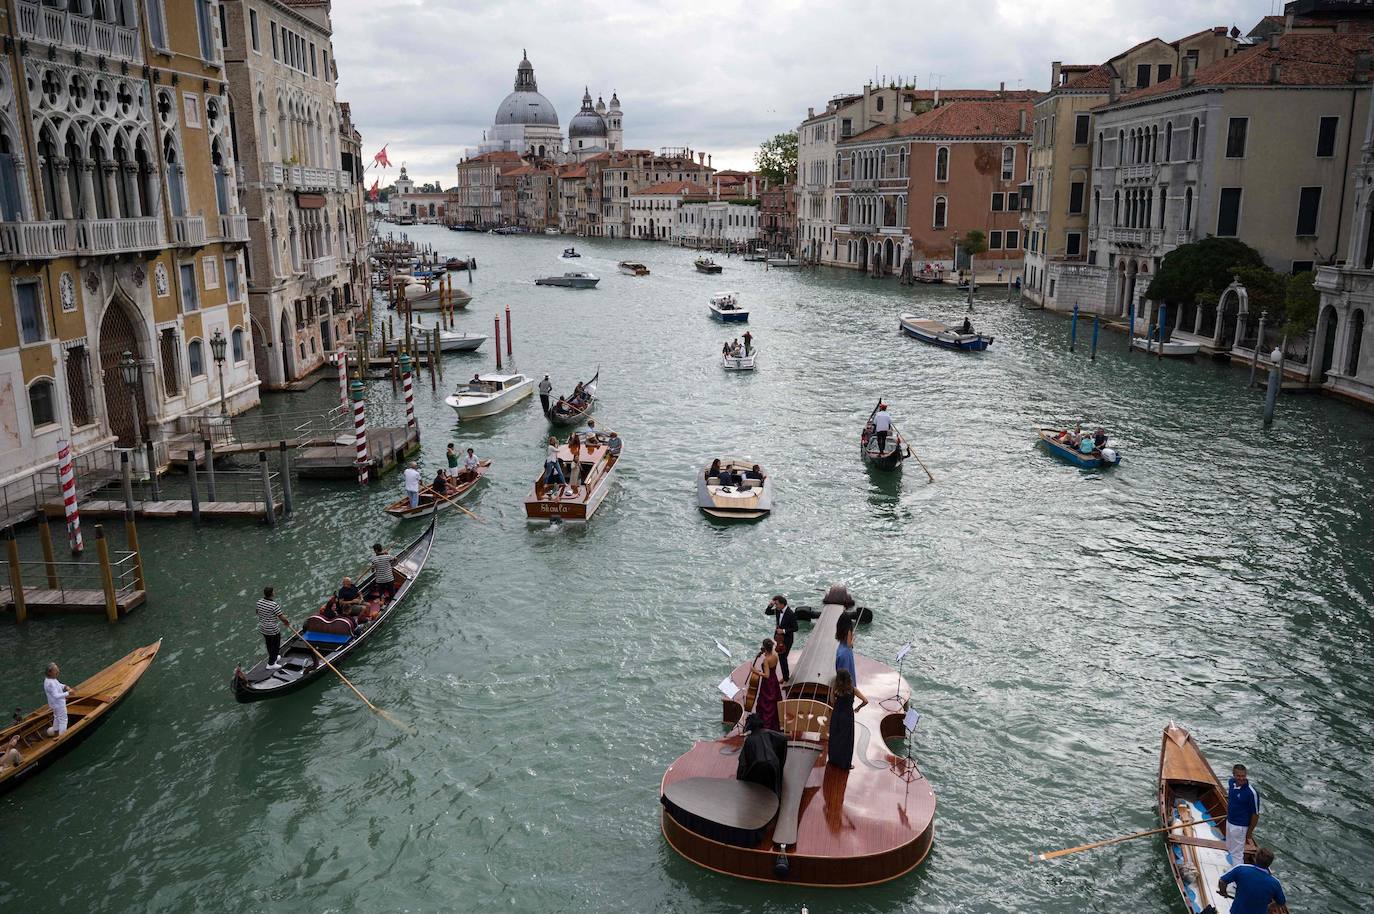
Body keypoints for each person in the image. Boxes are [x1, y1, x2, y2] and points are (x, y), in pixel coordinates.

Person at [1218, 847, 1286, 914]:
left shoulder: (1241, 869)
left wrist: (1223, 892)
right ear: (1270, 863)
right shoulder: (1275, 883)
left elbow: (1222, 881)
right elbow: (1281, 902)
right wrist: (1270, 907)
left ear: (1255, 858)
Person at [736, 713, 787, 796]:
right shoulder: (769, 733)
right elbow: (783, 738)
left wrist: (739, 779)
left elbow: (743, 762)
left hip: (759, 767)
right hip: (773, 763)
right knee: (773, 788)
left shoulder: (749, 740)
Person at [828, 669, 867, 769]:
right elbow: (865, 701)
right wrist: (858, 708)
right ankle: (845, 763)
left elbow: (832, 701)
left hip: (836, 715)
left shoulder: (836, 689)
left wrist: (832, 690)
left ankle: (833, 760)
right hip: (847, 716)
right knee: (846, 740)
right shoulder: (853, 690)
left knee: (835, 736)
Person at [1226, 763, 1260, 864]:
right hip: (1229, 821)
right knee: (1229, 846)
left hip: (1240, 827)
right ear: (1234, 775)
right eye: (1238, 776)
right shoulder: (1231, 782)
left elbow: (1255, 815)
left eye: (1243, 776)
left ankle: (1237, 871)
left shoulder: (1251, 793)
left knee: (1237, 854)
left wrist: (1249, 833)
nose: (1241, 778)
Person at [748, 639, 782, 731]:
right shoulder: (775, 654)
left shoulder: (766, 660)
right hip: (774, 680)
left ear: (765, 648)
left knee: (765, 703)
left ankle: (765, 724)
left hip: (767, 684)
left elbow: (767, 675)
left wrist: (755, 671)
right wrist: (764, 652)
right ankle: (774, 724)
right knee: (773, 703)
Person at [256, 586, 289, 671]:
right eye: (274, 591)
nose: (275, 592)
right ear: (272, 593)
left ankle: (274, 658)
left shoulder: (259, 602)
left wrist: (269, 616)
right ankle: (271, 664)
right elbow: (281, 617)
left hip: (263, 628)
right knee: (275, 646)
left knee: (269, 644)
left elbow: (258, 612)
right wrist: (286, 622)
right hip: (272, 629)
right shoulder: (274, 605)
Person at [765, 595, 797, 682]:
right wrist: (770, 605)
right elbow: (767, 612)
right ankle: (785, 677)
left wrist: (783, 631)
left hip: (787, 639)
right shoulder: (778, 610)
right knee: (782, 657)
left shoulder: (790, 614)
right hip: (779, 639)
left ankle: (786, 678)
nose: (776, 606)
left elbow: (795, 628)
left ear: (782, 604)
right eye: (775, 604)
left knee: (783, 658)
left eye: (777, 604)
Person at [43, 663, 71, 737]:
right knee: (63, 720)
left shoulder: (50, 679)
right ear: (50, 672)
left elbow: (57, 685)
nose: (58, 671)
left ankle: (56, 733)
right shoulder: (50, 683)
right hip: (59, 705)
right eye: (56, 670)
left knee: (57, 717)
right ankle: (62, 738)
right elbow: (56, 696)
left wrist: (64, 686)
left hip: (54, 705)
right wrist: (68, 693)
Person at [835, 618, 857, 685]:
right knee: (847, 676)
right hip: (846, 653)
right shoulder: (848, 631)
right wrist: (853, 639)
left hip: (841, 650)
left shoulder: (840, 630)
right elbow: (849, 644)